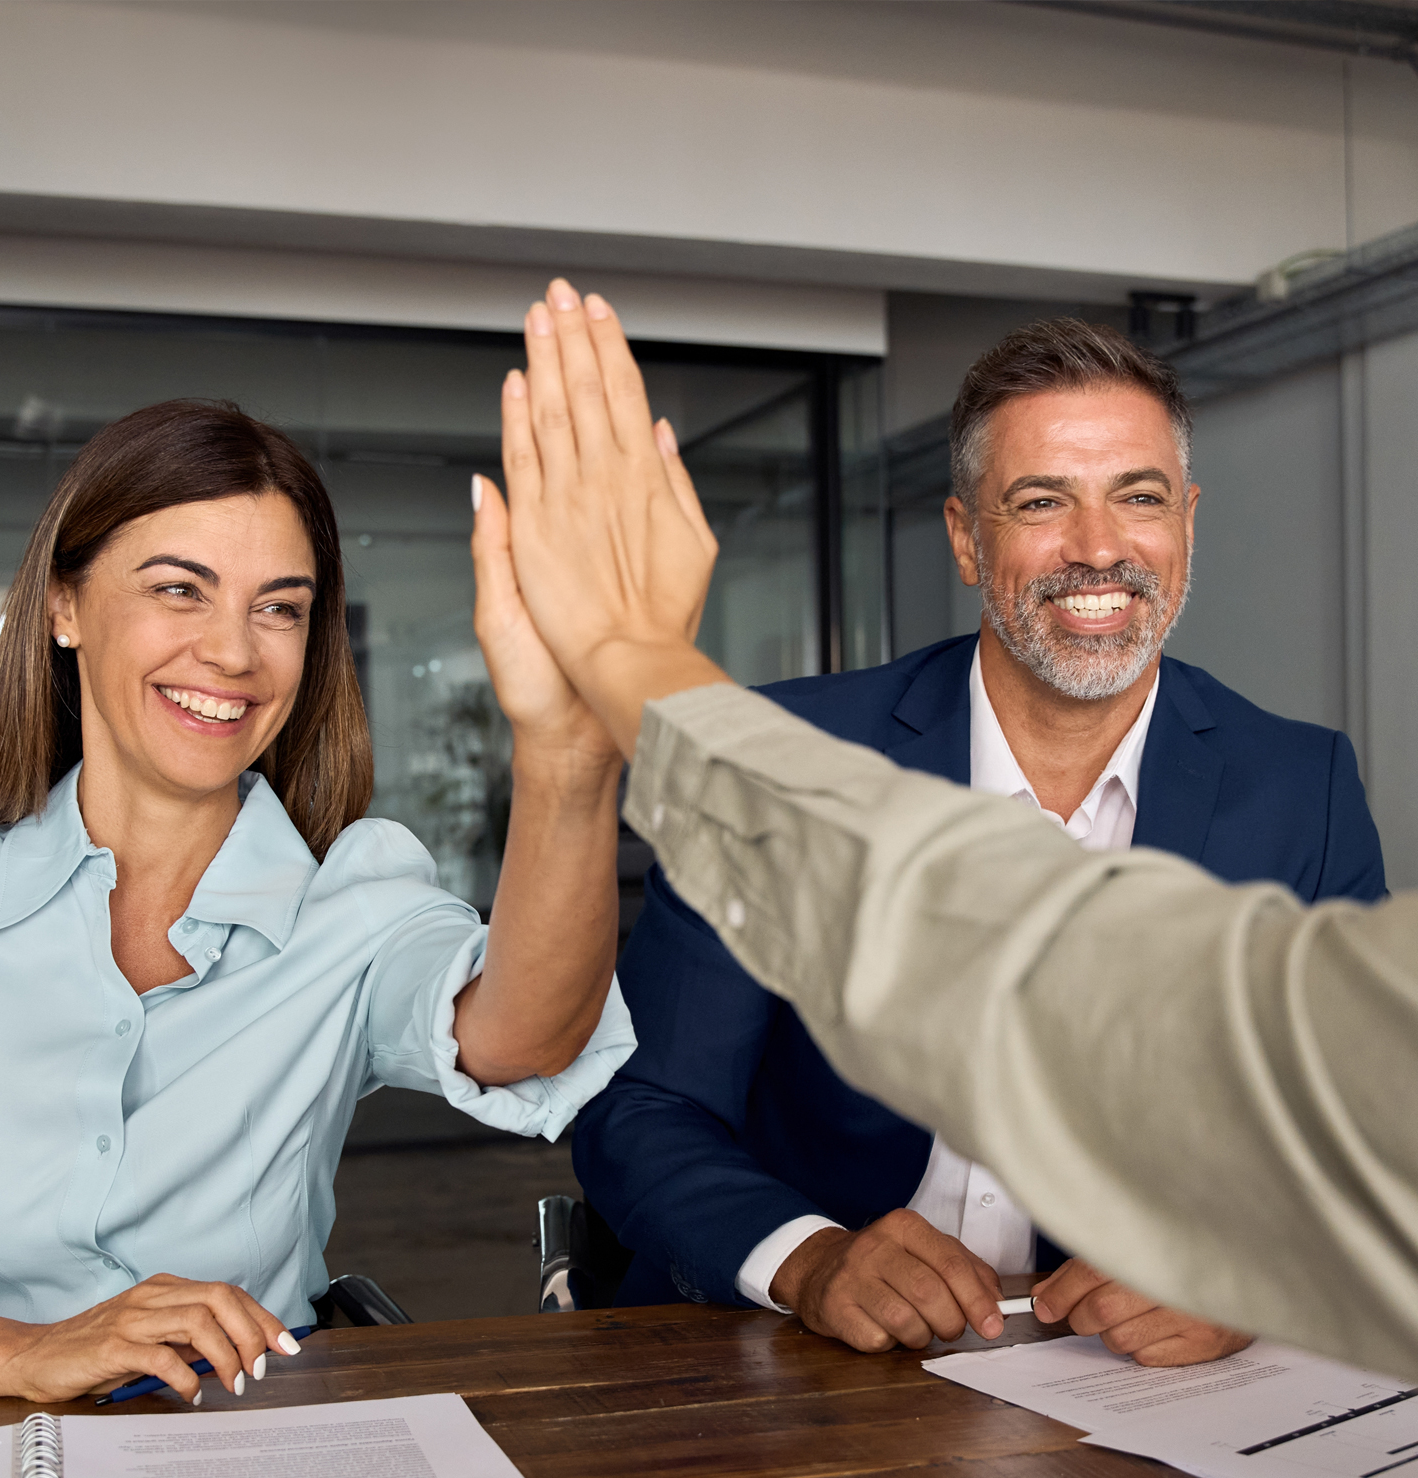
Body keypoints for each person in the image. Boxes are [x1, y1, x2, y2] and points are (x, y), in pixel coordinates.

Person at [473, 279, 1418, 1381]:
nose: (1100, 548)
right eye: (1041, 502)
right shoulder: (790, 745)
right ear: (966, 538)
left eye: (1140, 497)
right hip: (791, 1378)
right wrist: (809, 1259)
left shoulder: (1298, 784)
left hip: (1123, 1389)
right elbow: (645, 1112)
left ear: (1188, 523)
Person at [0, 399, 634, 1403]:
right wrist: (27, 1355)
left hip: (240, 1447)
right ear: (65, 607)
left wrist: (566, 752)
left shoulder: (354, 892)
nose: (235, 654)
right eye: (180, 590)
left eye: (279, 607)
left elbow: (522, 1038)